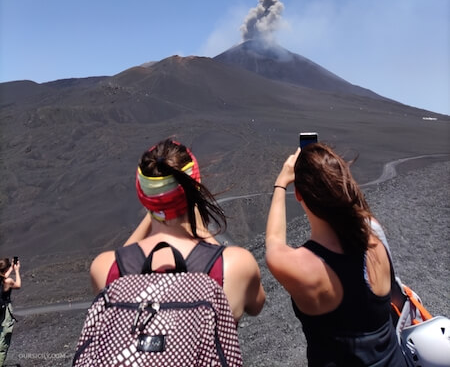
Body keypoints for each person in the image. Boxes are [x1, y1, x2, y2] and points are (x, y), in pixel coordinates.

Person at [91, 138, 265, 323]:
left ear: (142, 194)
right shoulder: (234, 266)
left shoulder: (104, 268)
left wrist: (157, 207)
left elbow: (122, 263)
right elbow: (257, 305)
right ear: (194, 187)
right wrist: (193, 204)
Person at [265, 143, 408, 367]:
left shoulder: (301, 266)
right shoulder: (374, 237)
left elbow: (274, 241)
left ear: (299, 194)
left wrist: (281, 182)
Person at [0, 257, 21, 367]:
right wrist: (16, 271)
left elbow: (3, 276)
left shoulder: (2, 279)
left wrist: (10, 269)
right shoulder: (7, 281)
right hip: (5, 312)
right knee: (3, 340)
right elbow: (18, 285)